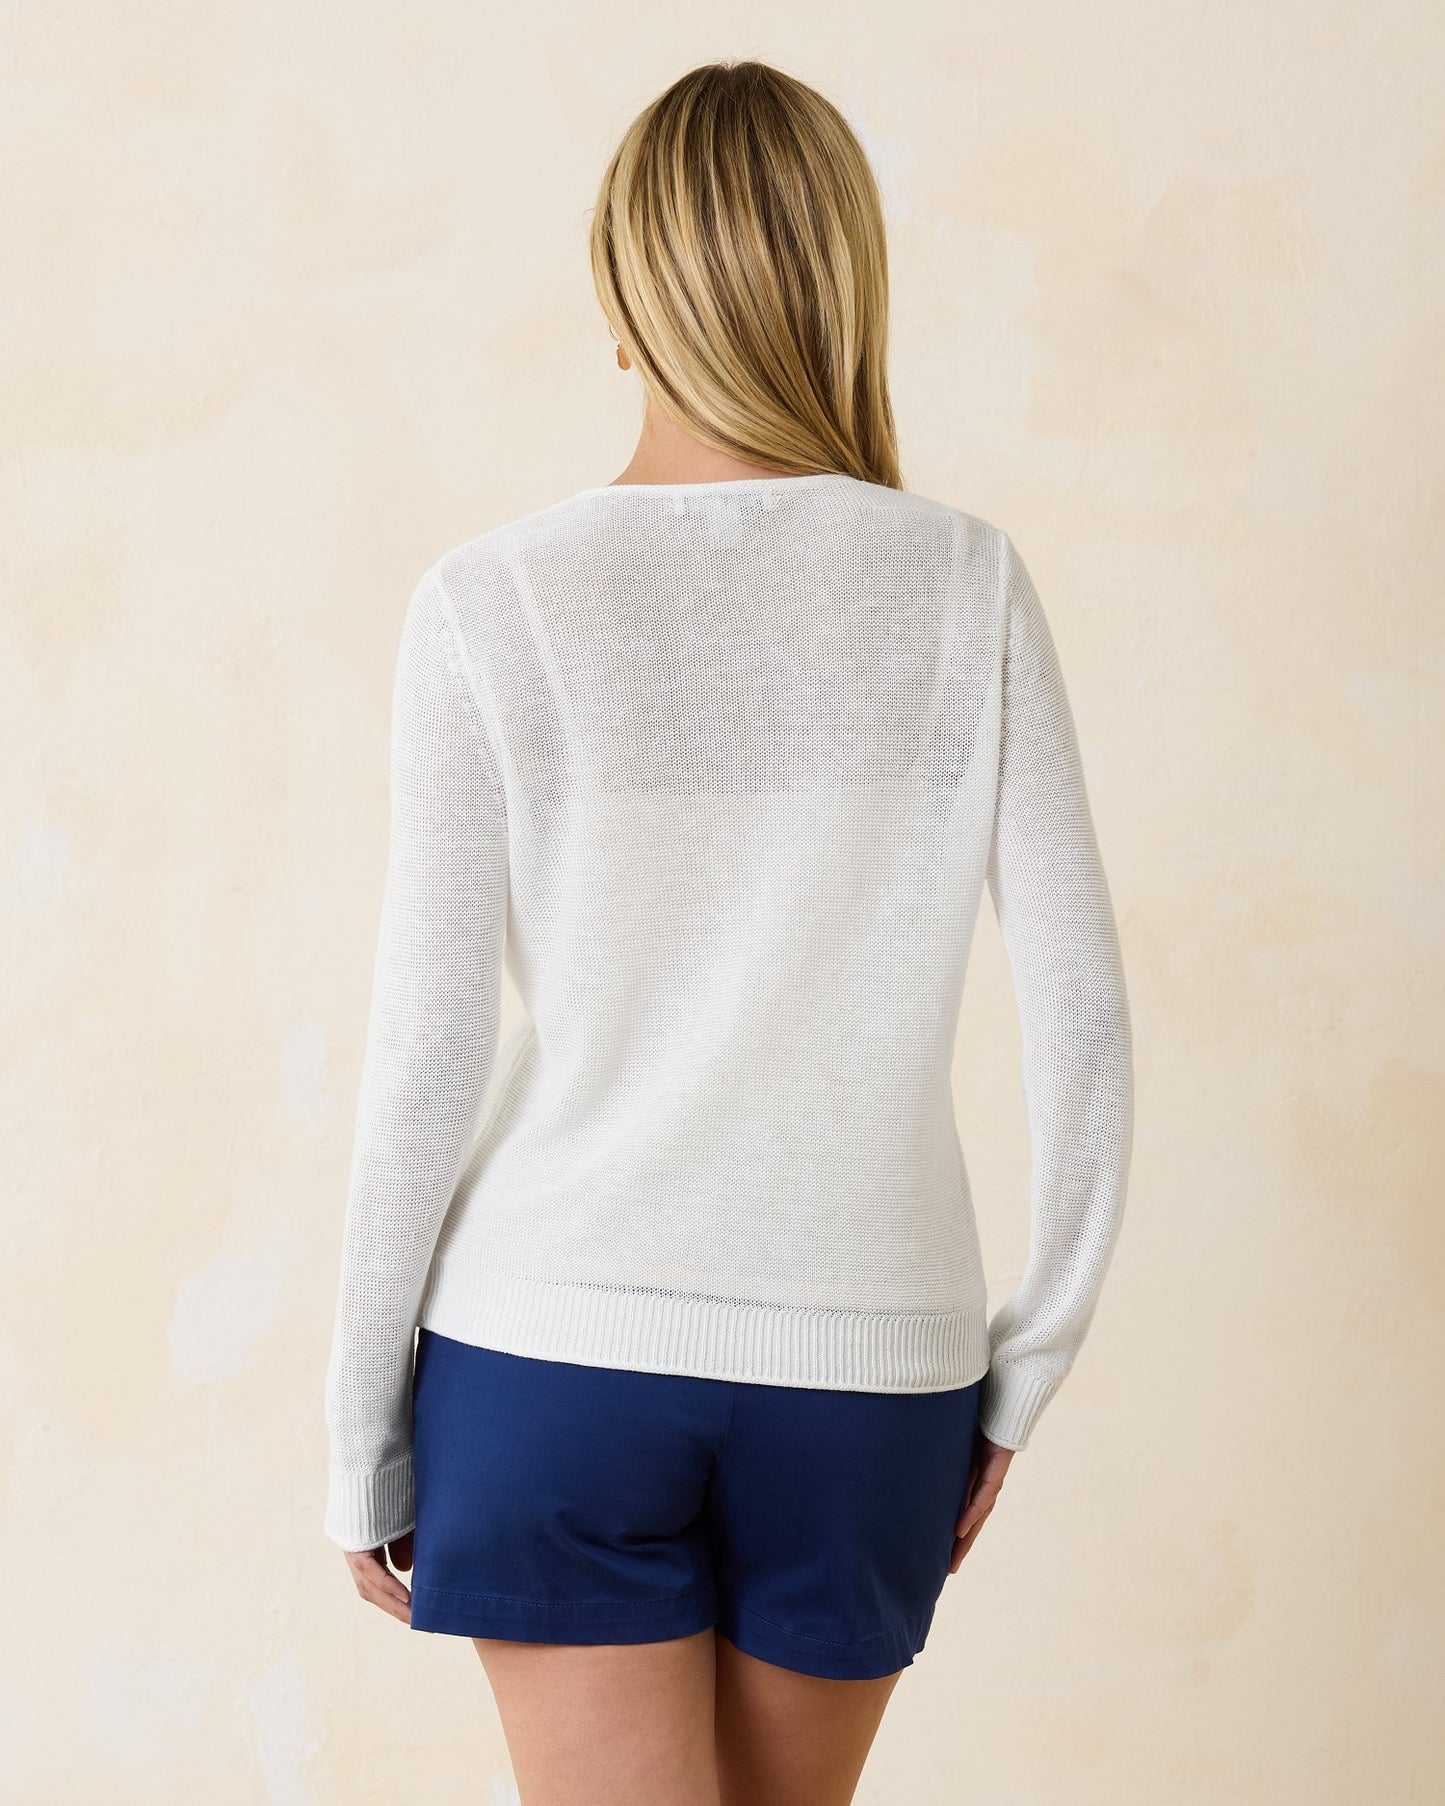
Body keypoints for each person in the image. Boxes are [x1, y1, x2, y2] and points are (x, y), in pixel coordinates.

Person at [321, 57, 1134, 1806]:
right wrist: (1024, 1367)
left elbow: (424, 1053)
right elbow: (1078, 1015)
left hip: (548, 1358)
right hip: (870, 1377)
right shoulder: (965, 584)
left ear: (620, 299)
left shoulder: (488, 600)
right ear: (844, 287)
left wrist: (357, 1432)